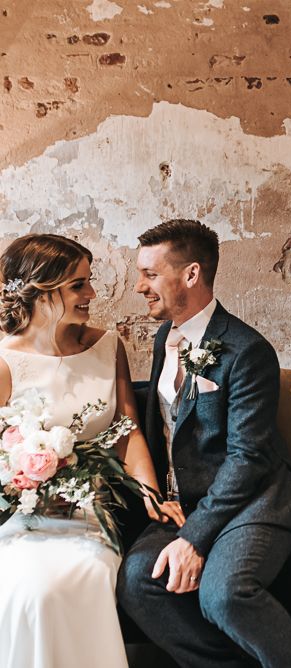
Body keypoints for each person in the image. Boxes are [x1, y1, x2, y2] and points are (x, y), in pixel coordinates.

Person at [117, 219, 291, 668]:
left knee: (224, 595)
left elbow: (248, 459)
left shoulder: (248, 350)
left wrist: (194, 538)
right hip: (185, 503)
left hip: (253, 502)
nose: (138, 286)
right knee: (136, 580)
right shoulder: (164, 337)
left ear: (190, 274)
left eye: (150, 274)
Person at [0, 234, 172, 668]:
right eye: (78, 284)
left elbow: (126, 431)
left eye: (88, 281)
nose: (92, 293)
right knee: (34, 591)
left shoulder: (106, 345)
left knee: (85, 578)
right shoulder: (3, 361)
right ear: (41, 288)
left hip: (93, 515)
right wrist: (22, 480)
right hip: (24, 520)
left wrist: (153, 496)